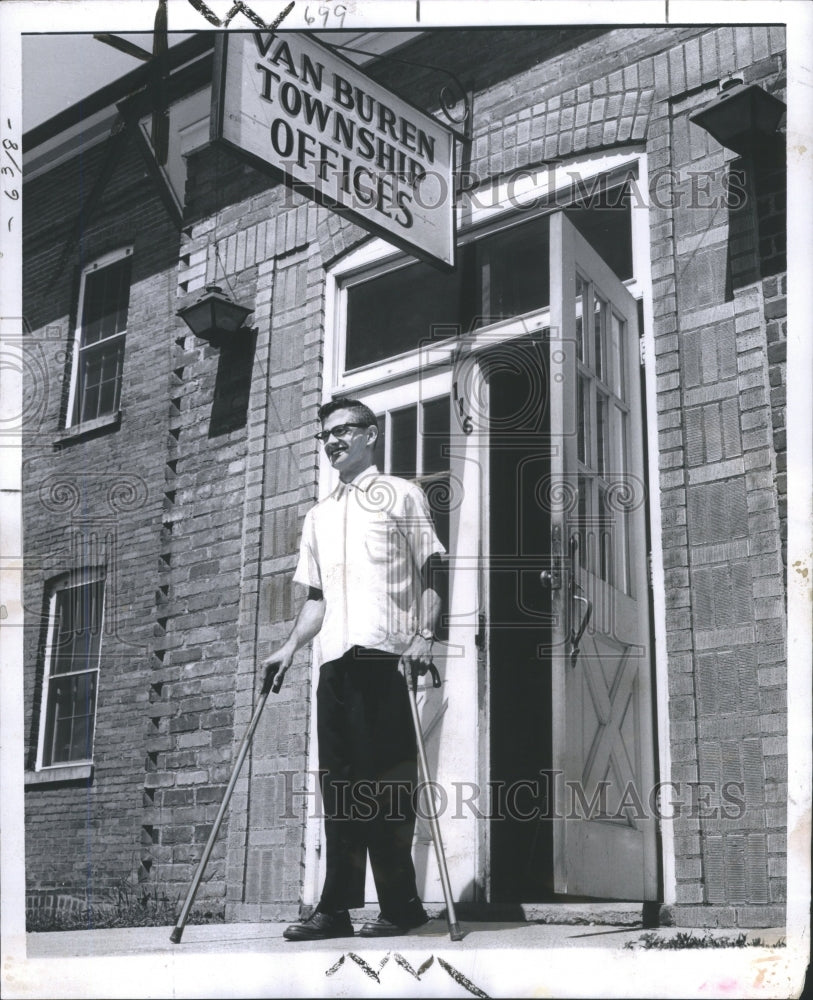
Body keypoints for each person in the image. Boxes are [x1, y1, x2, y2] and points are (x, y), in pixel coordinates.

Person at [261, 397, 445, 940]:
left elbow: (434, 568)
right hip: (334, 661)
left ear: (371, 435)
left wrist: (424, 636)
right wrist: (289, 646)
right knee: (339, 788)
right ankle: (336, 908)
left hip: (384, 655)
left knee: (387, 786)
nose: (334, 441)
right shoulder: (319, 516)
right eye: (326, 435)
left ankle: (402, 906)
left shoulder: (401, 495)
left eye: (344, 430)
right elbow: (317, 599)